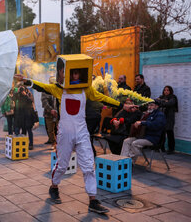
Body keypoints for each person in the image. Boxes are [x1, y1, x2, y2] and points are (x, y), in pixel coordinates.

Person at [14, 58, 133, 213]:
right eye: (70, 71)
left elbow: (102, 98)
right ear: (63, 73)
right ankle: (54, 186)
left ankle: (93, 200)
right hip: (65, 133)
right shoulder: (59, 89)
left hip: (82, 132)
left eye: (77, 72)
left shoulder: (86, 89)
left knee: (89, 166)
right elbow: (42, 87)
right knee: (62, 165)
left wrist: (123, 105)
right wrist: (26, 81)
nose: (74, 75)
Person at [156, 85, 178, 154]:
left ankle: (171, 149)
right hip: (162, 117)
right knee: (161, 133)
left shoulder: (173, 97)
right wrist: (163, 101)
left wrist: (162, 102)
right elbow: (156, 101)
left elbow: (169, 103)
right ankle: (160, 148)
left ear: (170, 91)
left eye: (168, 90)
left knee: (169, 133)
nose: (166, 91)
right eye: (165, 90)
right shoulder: (162, 97)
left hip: (169, 118)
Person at [14, 86, 36, 150]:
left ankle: (31, 144)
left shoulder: (29, 95)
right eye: (21, 90)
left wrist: (25, 95)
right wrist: (17, 92)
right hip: (22, 117)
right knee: (23, 131)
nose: (22, 91)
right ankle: (23, 143)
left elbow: (31, 101)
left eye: (23, 90)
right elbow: (13, 98)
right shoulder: (19, 95)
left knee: (29, 130)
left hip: (28, 116)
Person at [41, 76, 58, 150]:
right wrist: (51, 110)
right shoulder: (45, 90)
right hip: (49, 114)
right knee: (50, 130)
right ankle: (53, 143)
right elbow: (45, 102)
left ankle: (60, 143)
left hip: (58, 114)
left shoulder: (58, 90)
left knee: (59, 129)